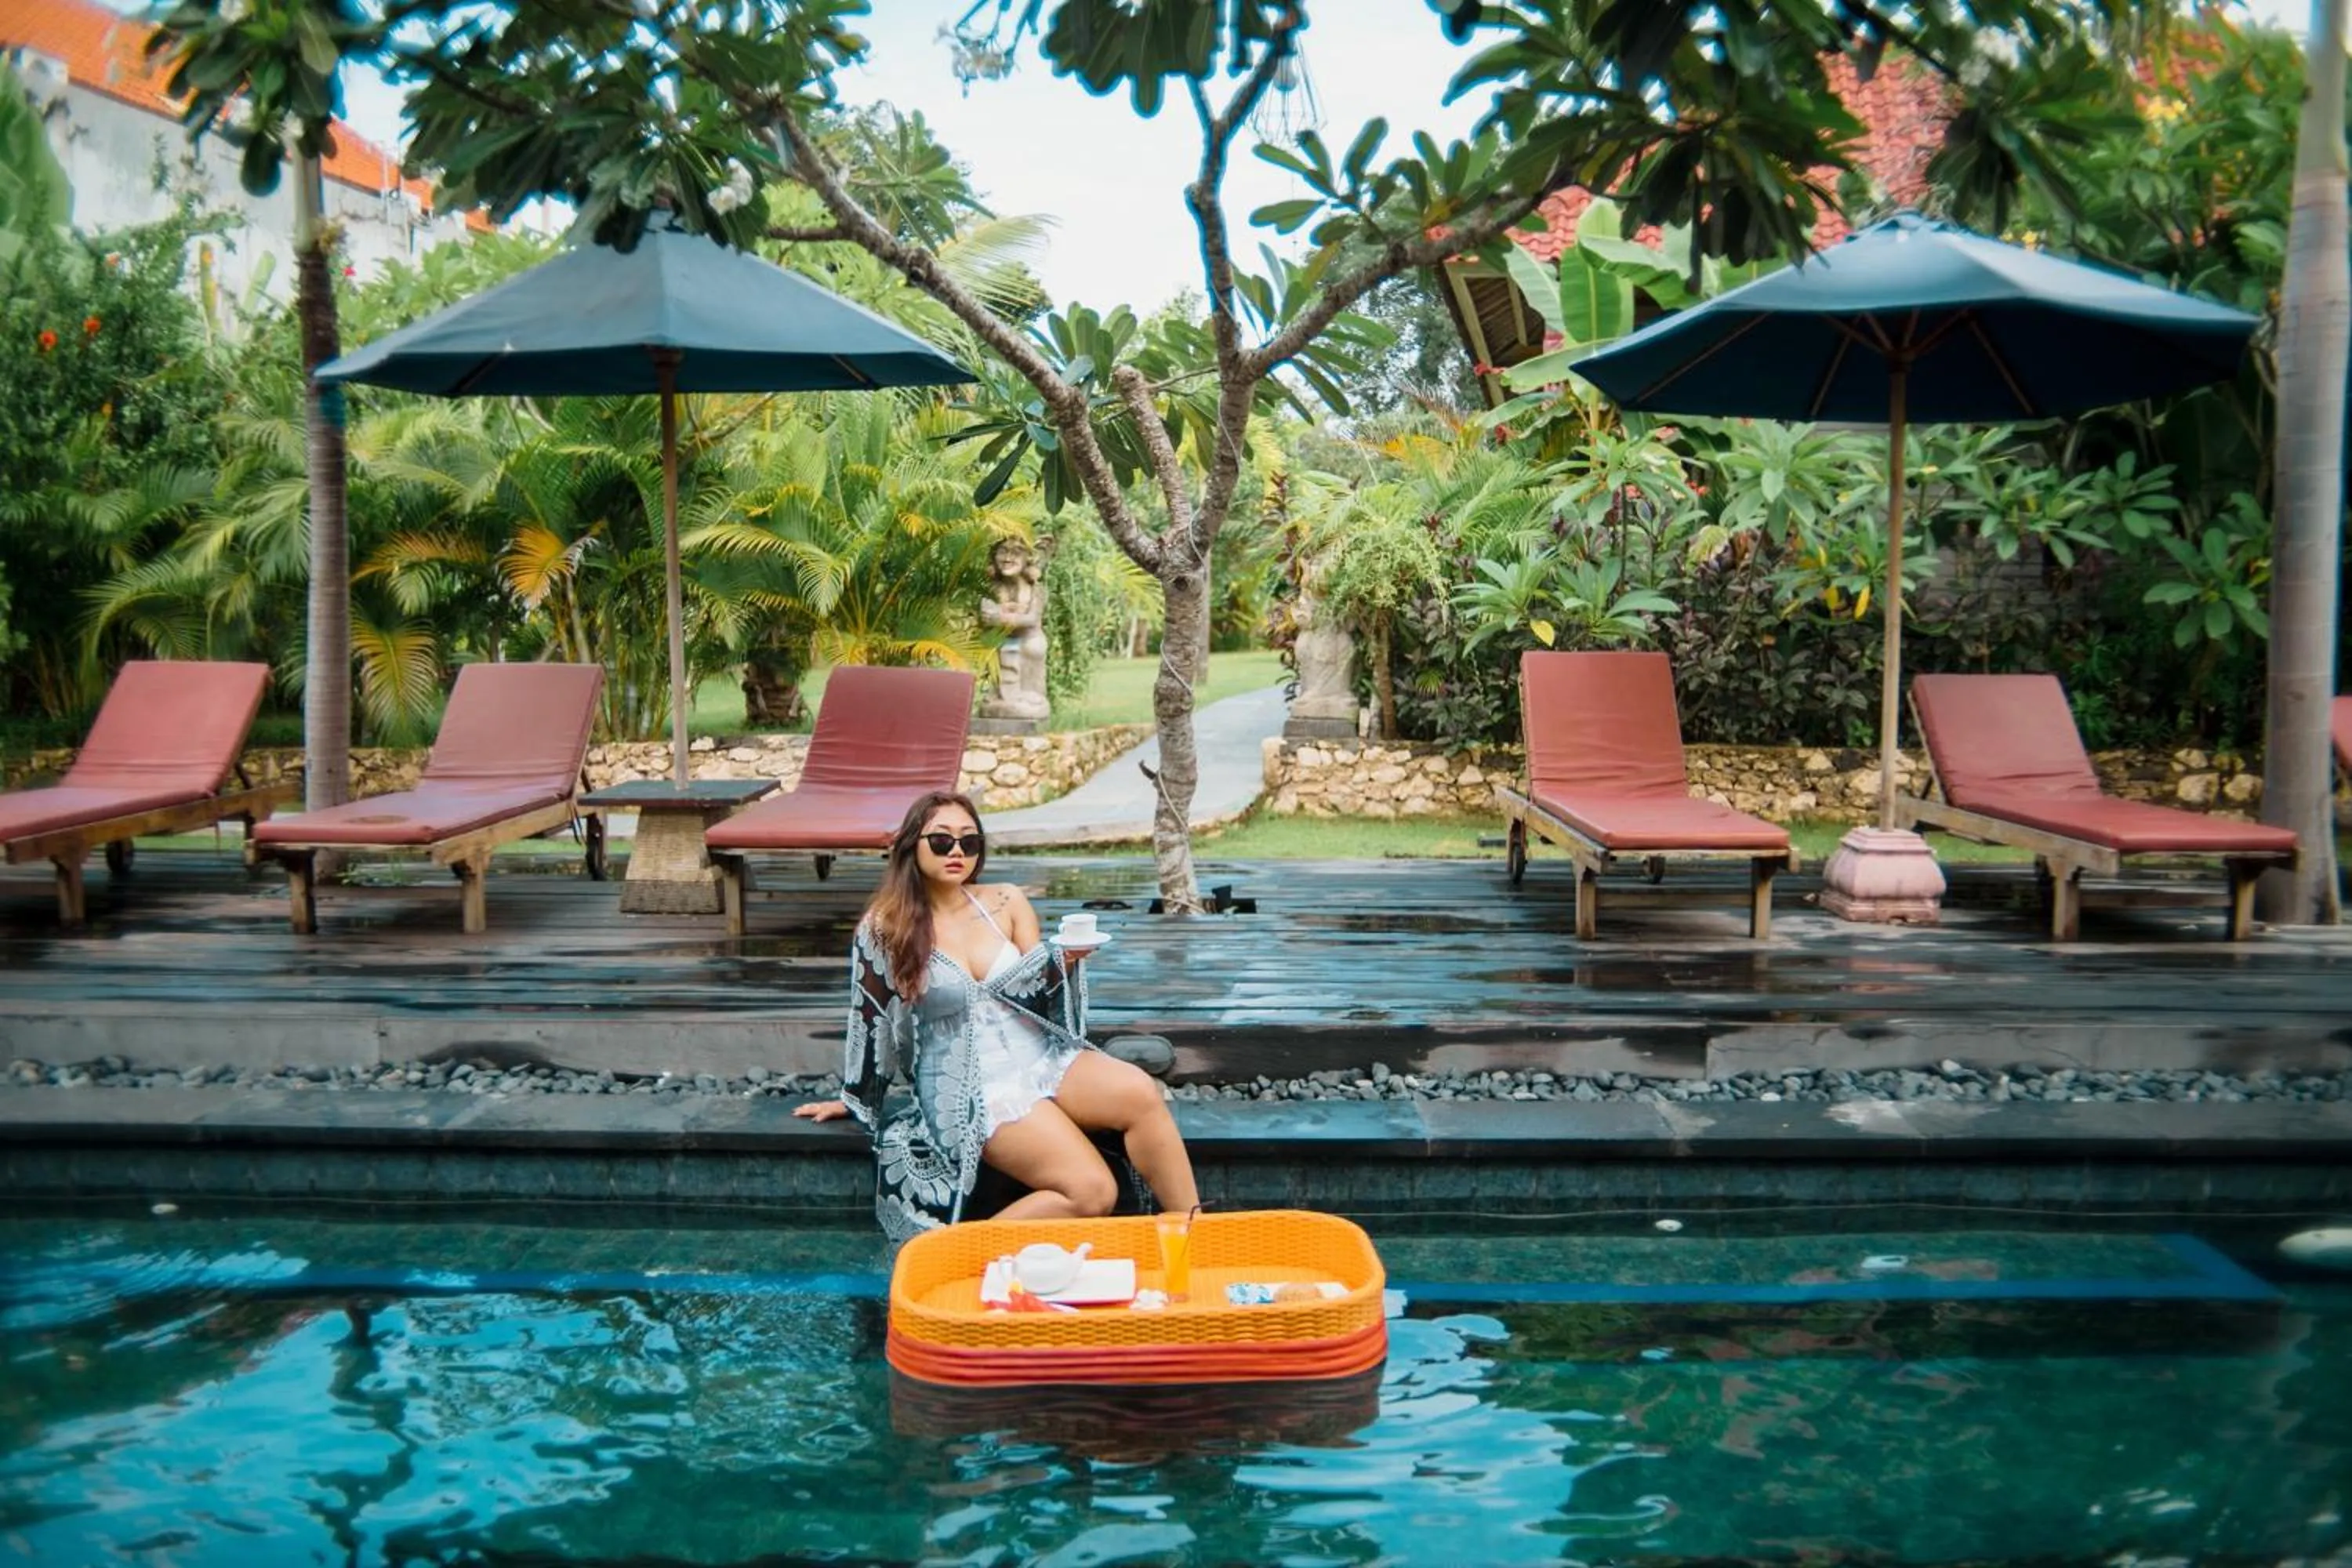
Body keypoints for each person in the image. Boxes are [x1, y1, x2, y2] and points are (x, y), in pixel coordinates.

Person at [794, 789, 1200, 1244]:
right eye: (942, 840)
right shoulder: (886, 926)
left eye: (969, 842)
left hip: (1042, 1056)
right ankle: (955, 1253)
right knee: (1091, 1192)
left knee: (1139, 1092)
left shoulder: (1005, 901)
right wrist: (856, 1098)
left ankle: (1196, 1235)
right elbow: (871, 1020)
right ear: (911, 844)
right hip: (971, 1085)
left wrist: (1063, 963)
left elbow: (1039, 990)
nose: (957, 853)